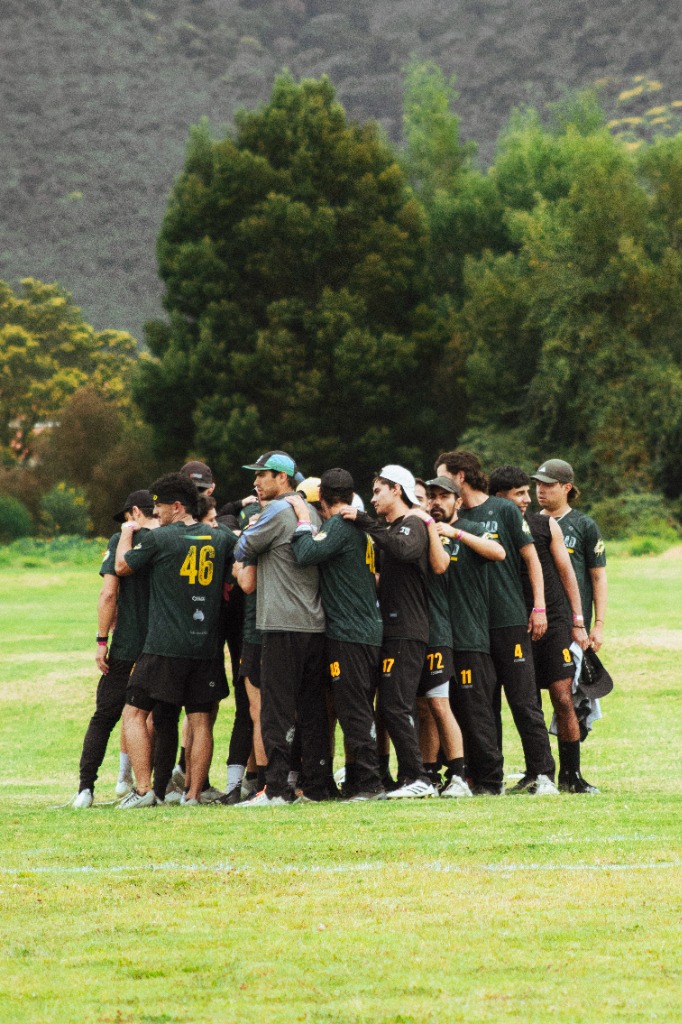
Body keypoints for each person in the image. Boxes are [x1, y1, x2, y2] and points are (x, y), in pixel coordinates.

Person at [435, 451, 558, 795]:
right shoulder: (455, 517)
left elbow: (530, 558)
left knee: (523, 700)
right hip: (472, 627)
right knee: (480, 705)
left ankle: (542, 774)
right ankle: (489, 778)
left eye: (443, 476)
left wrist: (539, 607)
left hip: (508, 619)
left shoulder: (503, 509)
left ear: (460, 476)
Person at [115, 472, 237, 807]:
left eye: (160, 506)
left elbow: (122, 566)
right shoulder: (221, 538)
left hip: (164, 646)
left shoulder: (160, 538)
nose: (156, 512)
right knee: (200, 720)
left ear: (178, 506)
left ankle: (143, 790)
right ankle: (194, 795)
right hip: (206, 646)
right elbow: (239, 550)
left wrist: (126, 533)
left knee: (133, 712)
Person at [490, 466, 598, 793]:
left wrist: (579, 622)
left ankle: (572, 775)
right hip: (516, 623)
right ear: (500, 498)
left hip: (554, 621)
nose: (528, 498)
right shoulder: (492, 530)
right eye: (520, 493)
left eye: (529, 491)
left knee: (562, 697)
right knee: (527, 703)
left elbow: (567, 574)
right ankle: (536, 771)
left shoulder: (545, 524)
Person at [233, 450, 331, 806]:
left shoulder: (275, 510)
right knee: (312, 708)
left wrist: (249, 536)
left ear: (282, 478)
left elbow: (243, 546)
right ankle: (314, 785)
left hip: (281, 623)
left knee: (275, 708)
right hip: (314, 624)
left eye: (263, 475)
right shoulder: (312, 514)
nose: (256, 481)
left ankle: (274, 788)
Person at [341, 465, 443, 799]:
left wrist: (363, 521)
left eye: (378, 491)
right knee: (390, 705)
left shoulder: (413, 522)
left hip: (408, 629)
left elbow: (404, 550)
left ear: (396, 489)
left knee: (396, 704)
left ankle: (419, 778)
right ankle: (405, 776)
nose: (372, 499)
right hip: (391, 629)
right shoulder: (392, 528)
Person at [288, 468, 386, 800]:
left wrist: (303, 520)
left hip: (349, 633)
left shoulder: (339, 526)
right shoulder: (357, 527)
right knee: (358, 707)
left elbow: (305, 554)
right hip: (366, 630)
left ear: (322, 500)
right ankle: (360, 780)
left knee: (353, 709)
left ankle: (370, 784)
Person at [70, 491, 157, 808]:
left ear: (134, 512)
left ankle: (86, 789)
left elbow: (108, 594)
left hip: (127, 646)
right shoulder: (169, 539)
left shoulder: (123, 540)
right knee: (157, 717)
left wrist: (101, 641)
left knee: (105, 717)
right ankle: (160, 786)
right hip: (162, 645)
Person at [426, 476, 507, 795]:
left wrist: (456, 533)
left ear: (458, 501)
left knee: (476, 712)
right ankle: (458, 776)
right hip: (438, 638)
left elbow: (498, 552)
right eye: (432, 496)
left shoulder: (470, 529)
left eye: (444, 496)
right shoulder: (426, 531)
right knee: (445, 710)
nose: (436, 502)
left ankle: (491, 780)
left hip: (469, 638)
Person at [531, 459, 608, 652]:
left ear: (567, 487)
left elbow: (598, 577)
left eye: (548, 485)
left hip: (573, 621)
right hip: (538, 616)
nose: (541, 490)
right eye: (538, 484)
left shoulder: (584, 525)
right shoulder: (530, 523)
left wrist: (598, 625)